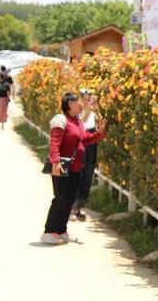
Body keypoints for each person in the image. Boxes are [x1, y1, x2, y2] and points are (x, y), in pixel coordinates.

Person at [41, 92, 106, 245]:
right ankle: (49, 231)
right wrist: (55, 162)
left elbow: (86, 140)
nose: (81, 104)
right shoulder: (61, 120)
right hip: (62, 167)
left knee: (69, 200)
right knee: (60, 199)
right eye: (79, 102)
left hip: (76, 168)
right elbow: (54, 143)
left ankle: (61, 230)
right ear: (70, 104)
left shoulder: (77, 122)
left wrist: (100, 132)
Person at [70, 90, 100, 221]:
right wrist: (87, 111)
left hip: (91, 141)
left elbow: (100, 123)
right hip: (80, 141)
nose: (87, 101)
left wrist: (97, 110)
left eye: (89, 99)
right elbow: (77, 126)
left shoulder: (93, 110)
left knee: (88, 173)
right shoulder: (76, 111)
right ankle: (72, 207)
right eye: (84, 98)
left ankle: (79, 207)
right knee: (78, 173)